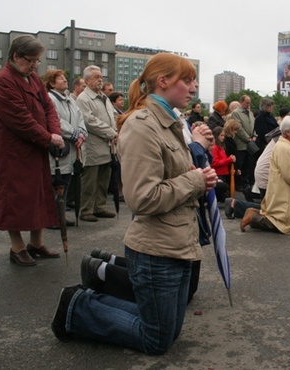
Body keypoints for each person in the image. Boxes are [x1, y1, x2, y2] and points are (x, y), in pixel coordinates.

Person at [52, 52, 217, 354]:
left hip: (176, 240)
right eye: (187, 80)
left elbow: (169, 175)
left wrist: (194, 174)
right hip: (157, 248)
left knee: (169, 330)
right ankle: (77, 304)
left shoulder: (167, 121)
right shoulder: (143, 125)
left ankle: (96, 287)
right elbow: (142, 197)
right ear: (163, 81)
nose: (194, 87)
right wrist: (195, 181)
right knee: (156, 340)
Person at [0, 35, 64, 266]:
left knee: (38, 194)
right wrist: (48, 137)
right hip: (12, 151)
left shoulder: (32, 78)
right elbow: (20, 120)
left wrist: (55, 132)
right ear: (15, 56)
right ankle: (17, 247)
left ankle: (36, 243)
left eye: (37, 61)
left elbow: (48, 107)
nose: (34, 65)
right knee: (14, 197)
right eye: (30, 60)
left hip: (35, 147)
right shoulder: (3, 81)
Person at [240, 116, 290, 234]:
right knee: (282, 222)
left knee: (284, 220)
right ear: (287, 132)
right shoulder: (284, 147)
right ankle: (254, 217)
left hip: (285, 188)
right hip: (285, 189)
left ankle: (255, 216)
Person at [43, 69, 88, 227]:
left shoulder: (70, 99)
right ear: (52, 83)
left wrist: (82, 133)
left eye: (64, 77)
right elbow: (55, 121)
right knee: (57, 182)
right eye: (60, 78)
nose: (64, 80)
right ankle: (51, 217)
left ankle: (59, 215)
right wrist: (73, 133)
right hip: (58, 149)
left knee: (66, 182)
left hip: (72, 149)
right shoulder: (49, 99)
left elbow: (80, 117)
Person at [76, 65, 118, 222]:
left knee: (103, 178)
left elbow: (110, 117)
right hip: (93, 145)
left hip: (106, 145)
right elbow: (89, 121)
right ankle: (86, 209)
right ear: (87, 80)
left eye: (101, 76)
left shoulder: (104, 97)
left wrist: (113, 132)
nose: (100, 79)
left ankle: (99, 207)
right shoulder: (83, 99)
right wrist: (112, 132)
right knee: (90, 179)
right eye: (96, 77)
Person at [229, 95, 256, 191]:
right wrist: (248, 138)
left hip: (250, 143)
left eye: (249, 102)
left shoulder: (250, 113)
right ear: (241, 102)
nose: (249, 104)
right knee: (240, 164)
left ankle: (245, 183)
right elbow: (239, 128)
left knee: (248, 165)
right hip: (241, 144)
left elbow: (253, 125)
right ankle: (239, 184)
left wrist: (254, 135)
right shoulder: (236, 113)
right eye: (247, 102)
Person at [210, 126, 235, 202]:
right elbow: (215, 162)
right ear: (216, 136)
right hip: (219, 173)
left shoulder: (221, 146)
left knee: (225, 195)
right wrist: (229, 159)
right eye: (221, 135)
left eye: (223, 135)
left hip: (223, 172)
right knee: (223, 189)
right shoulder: (215, 147)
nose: (223, 137)